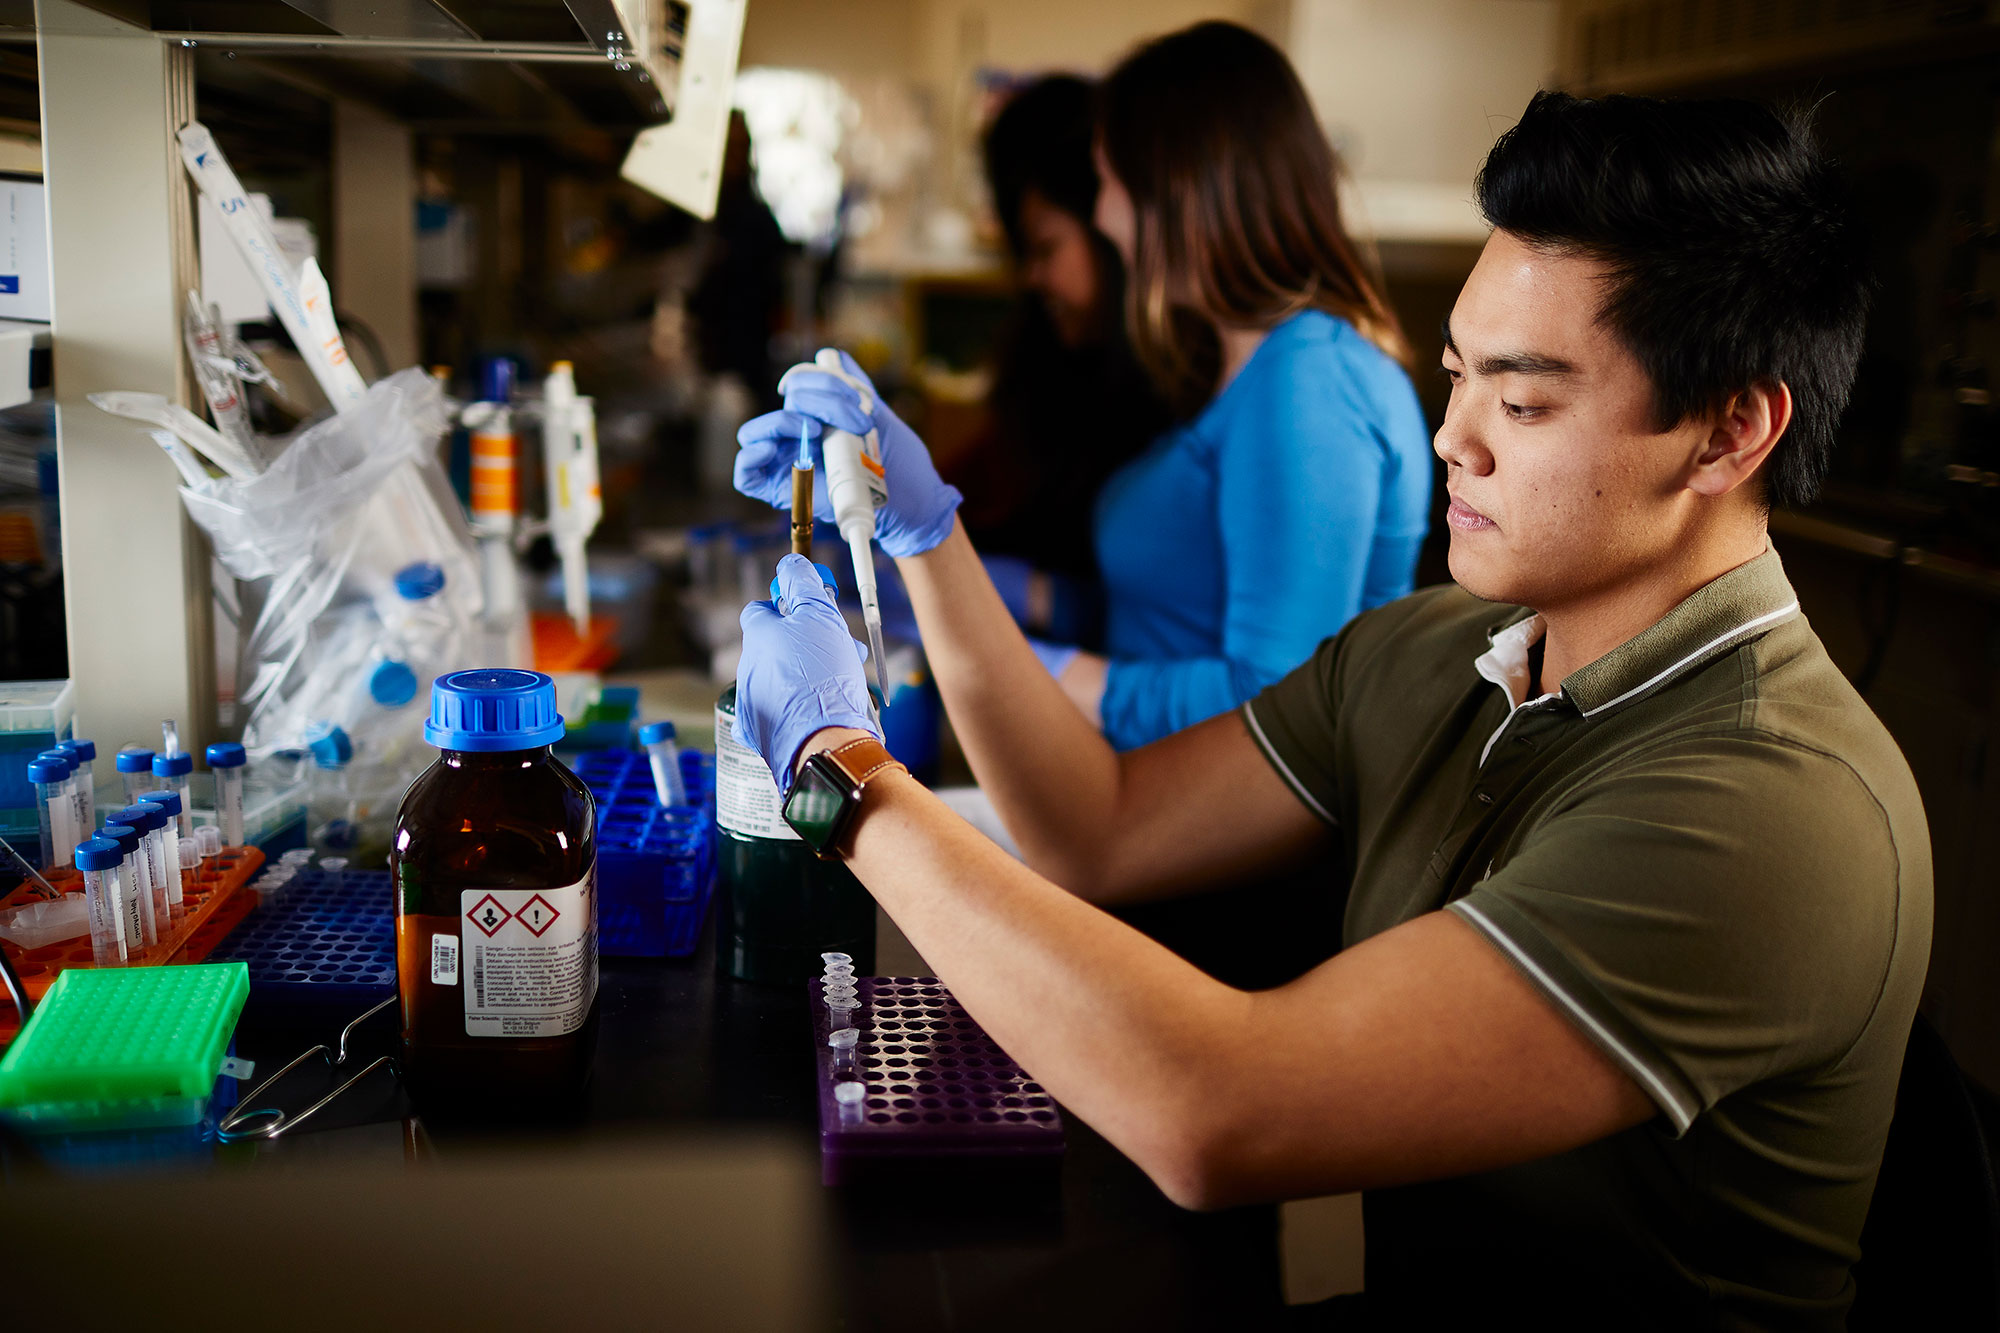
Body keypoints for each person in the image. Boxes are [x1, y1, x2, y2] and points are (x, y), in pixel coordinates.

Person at [730, 84, 1930, 1328]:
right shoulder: (1440, 650)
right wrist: (922, 534)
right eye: (1458, 376)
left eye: (1522, 403)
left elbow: (1215, 1112)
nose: (1450, 437)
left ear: (1728, 432)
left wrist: (836, 769)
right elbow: (1097, 826)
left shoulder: (1770, 807)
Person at [749, 24, 1432, 750]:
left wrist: (1022, 666)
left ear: (1180, 191)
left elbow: (1278, 705)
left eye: (1110, 183)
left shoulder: (1310, 379)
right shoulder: (1243, 367)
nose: (1105, 216)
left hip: (1209, 827)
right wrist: (1023, 599)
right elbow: (1185, 611)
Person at [947, 74, 1172, 627]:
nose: (1030, 276)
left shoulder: (1166, 384)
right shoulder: (1052, 351)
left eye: (1045, 246)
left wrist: (1048, 600)